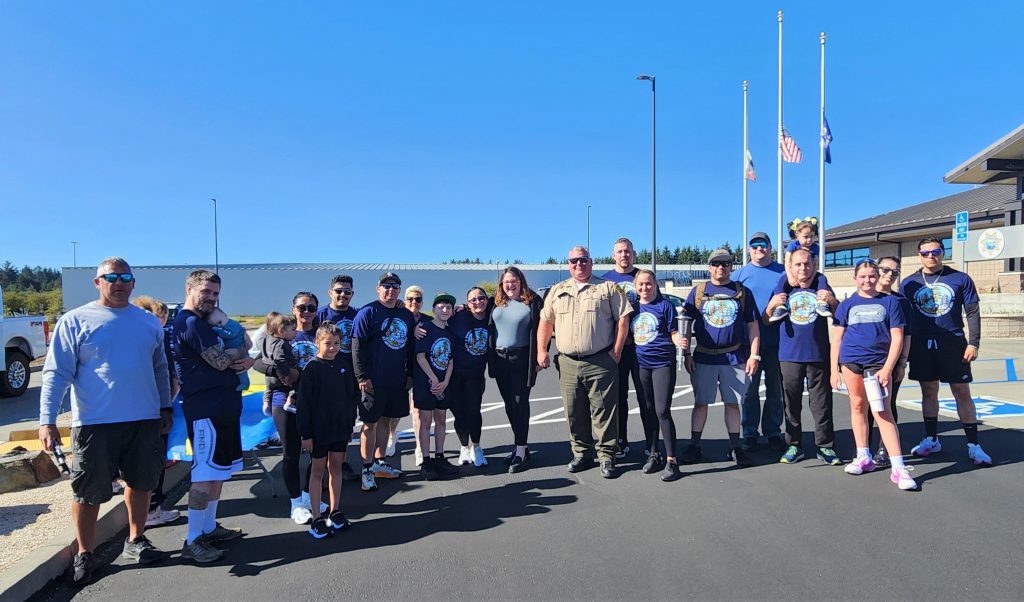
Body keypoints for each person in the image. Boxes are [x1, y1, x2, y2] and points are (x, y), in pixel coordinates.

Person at [39, 257, 172, 585]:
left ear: (133, 283)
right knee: (88, 491)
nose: (119, 282)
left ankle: (136, 539)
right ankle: (85, 552)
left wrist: (165, 407)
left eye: (125, 276)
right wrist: (47, 420)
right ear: (97, 282)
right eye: (110, 277)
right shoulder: (76, 320)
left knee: (141, 483)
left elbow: (160, 368)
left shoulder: (148, 322)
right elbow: (56, 373)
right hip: (94, 422)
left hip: (143, 419)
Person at [169, 270, 250, 564]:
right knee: (203, 476)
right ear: (189, 289)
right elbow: (219, 362)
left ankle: (208, 527)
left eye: (216, 294)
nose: (212, 299)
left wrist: (240, 354)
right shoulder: (190, 324)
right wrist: (239, 352)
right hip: (205, 411)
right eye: (206, 292)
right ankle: (192, 539)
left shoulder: (204, 323)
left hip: (224, 407)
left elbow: (242, 352)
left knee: (217, 472)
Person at [537, 245, 632, 479]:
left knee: (604, 411)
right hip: (568, 362)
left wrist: (617, 351)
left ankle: (607, 456)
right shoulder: (557, 290)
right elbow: (546, 323)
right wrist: (542, 350)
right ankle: (581, 453)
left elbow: (623, 318)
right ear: (568, 264)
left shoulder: (608, 288)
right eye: (574, 261)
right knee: (574, 411)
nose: (579, 264)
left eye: (583, 260)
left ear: (591, 262)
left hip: (600, 360)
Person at [901, 237, 992, 465]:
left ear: (942, 253)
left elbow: (972, 312)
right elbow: (902, 317)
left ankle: (973, 445)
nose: (931, 256)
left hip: (953, 343)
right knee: (928, 391)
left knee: (961, 392)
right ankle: (931, 439)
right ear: (919, 255)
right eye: (925, 253)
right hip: (922, 345)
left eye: (936, 251)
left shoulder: (960, 278)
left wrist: (974, 342)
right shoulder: (909, 283)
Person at [830, 259, 918, 490]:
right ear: (855, 278)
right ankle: (863, 456)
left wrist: (889, 367)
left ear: (877, 277)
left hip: (877, 365)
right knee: (858, 407)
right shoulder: (846, 305)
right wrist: (834, 369)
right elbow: (837, 339)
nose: (867, 280)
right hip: (851, 363)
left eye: (871, 276)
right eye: (863, 276)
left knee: (882, 412)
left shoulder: (890, 302)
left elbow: (898, 337)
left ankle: (898, 467)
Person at [680, 249, 761, 467]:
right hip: (704, 357)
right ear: (709, 267)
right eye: (716, 264)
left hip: (734, 357)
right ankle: (695, 445)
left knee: (732, 403)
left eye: (725, 263)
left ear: (731, 267)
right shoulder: (698, 292)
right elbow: (685, 323)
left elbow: (752, 325)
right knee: (700, 403)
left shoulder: (742, 292)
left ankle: (735, 447)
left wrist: (754, 355)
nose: (720, 268)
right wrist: (686, 353)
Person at [763, 248, 841, 465]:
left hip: (818, 354)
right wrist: (772, 305)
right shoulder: (784, 285)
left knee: (821, 403)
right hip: (788, 355)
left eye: (806, 264)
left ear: (814, 265)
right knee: (790, 404)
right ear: (791, 266)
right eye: (798, 264)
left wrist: (831, 300)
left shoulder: (821, 284)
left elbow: (840, 316)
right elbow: (766, 320)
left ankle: (825, 446)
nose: (802, 268)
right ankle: (793, 445)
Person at [351, 272, 415, 491]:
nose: (391, 290)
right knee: (369, 424)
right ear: (378, 288)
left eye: (395, 286)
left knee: (387, 422)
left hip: (396, 379)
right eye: (386, 286)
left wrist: (410, 374)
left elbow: (410, 346)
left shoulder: (405, 314)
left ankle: (380, 464)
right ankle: (366, 469)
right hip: (372, 380)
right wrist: (361, 376)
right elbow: (356, 346)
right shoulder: (367, 312)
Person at [298, 322, 356, 538]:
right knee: (317, 472)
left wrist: (350, 424)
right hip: (319, 431)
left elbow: (351, 398)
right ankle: (316, 518)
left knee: (336, 468)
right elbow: (304, 405)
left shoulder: (343, 365)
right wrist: (306, 434)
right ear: (317, 343)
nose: (332, 348)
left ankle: (335, 511)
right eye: (327, 343)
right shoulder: (312, 368)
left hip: (340, 429)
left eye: (336, 344)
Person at [130, 295, 182, 528]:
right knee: (152, 463)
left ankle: (151, 509)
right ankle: (151, 510)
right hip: (149, 411)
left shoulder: (142, 337)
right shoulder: (156, 337)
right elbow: (169, 375)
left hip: (146, 409)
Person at [733, 232, 787, 452]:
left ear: (770, 247)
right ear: (749, 249)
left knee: (776, 390)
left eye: (763, 245)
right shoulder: (739, 275)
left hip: (779, 341)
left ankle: (773, 431)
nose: (759, 249)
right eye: (754, 245)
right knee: (749, 391)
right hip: (748, 344)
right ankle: (750, 433)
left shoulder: (783, 272)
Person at [631, 269, 685, 481]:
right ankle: (653, 454)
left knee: (662, 410)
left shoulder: (665, 306)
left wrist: (680, 341)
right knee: (648, 409)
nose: (645, 288)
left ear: (655, 285)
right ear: (636, 287)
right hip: (641, 364)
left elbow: (673, 332)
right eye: (641, 284)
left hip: (662, 363)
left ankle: (672, 460)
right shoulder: (633, 307)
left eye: (648, 284)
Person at [600, 237, 652, 458]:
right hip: (616, 347)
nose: (624, 255)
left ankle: (652, 442)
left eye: (628, 251)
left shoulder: (643, 277)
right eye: (620, 251)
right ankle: (620, 440)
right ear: (614, 255)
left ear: (634, 253)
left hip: (641, 347)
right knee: (618, 396)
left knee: (646, 396)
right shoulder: (604, 281)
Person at [489, 266, 545, 473]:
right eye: (506, 282)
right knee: (509, 405)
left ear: (521, 282)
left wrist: (541, 353)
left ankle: (521, 452)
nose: (510, 285)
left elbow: (544, 328)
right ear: (501, 285)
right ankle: (520, 445)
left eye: (514, 281)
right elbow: (474, 308)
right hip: (499, 359)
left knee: (520, 403)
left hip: (522, 359)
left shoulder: (533, 302)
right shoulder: (495, 302)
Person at [867, 256, 912, 467]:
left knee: (886, 405)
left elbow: (907, 335)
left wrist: (901, 363)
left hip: (888, 363)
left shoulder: (900, 301)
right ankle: (863, 448)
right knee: (864, 406)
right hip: (863, 362)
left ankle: (885, 449)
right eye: (885, 269)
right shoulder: (864, 296)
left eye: (894, 272)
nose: (889, 275)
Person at [315, 275, 361, 481]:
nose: (343, 294)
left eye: (347, 291)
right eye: (339, 290)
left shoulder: (358, 314)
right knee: (324, 420)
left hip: (349, 375)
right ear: (330, 292)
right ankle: (319, 465)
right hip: (324, 376)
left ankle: (340, 462)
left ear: (352, 294)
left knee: (346, 420)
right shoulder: (319, 315)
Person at [414, 293, 459, 480]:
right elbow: (420, 356)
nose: (444, 310)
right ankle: (426, 460)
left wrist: (445, 381)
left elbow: (450, 360)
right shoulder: (425, 328)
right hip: (426, 383)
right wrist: (433, 379)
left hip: (443, 383)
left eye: (448, 307)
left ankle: (439, 457)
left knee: (441, 419)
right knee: (425, 421)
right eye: (441, 307)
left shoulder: (450, 332)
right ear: (433, 310)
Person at [449, 287, 491, 467]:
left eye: (481, 298)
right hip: (455, 375)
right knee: (459, 414)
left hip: (475, 376)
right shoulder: (459, 317)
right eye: (473, 300)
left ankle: (477, 447)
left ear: (486, 300)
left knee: (474, 411)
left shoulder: (492, 318)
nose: (477, 302)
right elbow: (439, 322)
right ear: (467, 303)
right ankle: (464, 447)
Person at [770, 217, 833, 321]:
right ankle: (780, 306)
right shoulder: (792, 245)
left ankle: (822, 303)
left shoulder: (815, 247)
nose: (809, 239)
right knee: (782, 279)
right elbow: (787, 262)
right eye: (806, 236)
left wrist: (810, 280)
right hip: (792, 273)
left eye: (812, 236)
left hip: (811, 273)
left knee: (822, 278)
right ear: (797, 235)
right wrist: (790, 277)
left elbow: (815, 264)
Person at [399, 284, 429, 463]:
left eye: (417, 299)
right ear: (405, 301)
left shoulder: (426, 320)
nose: (414, 302)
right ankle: (391, 436)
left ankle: (419, 447)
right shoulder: (400, 317)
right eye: (410, 299)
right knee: (395, 411)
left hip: (420, 370)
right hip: (400, 369)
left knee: (417, 411)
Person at [206, 307, 252, 392]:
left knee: (241, 370)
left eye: (220, 322)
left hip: (240, 350)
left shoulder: (232, 325)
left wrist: (217, 330)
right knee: (237, 368)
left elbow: (230, 334)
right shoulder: (225, 326)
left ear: (225, 316)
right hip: (233, 352)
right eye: (215, 325)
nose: (219, 325)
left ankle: (245, 384)